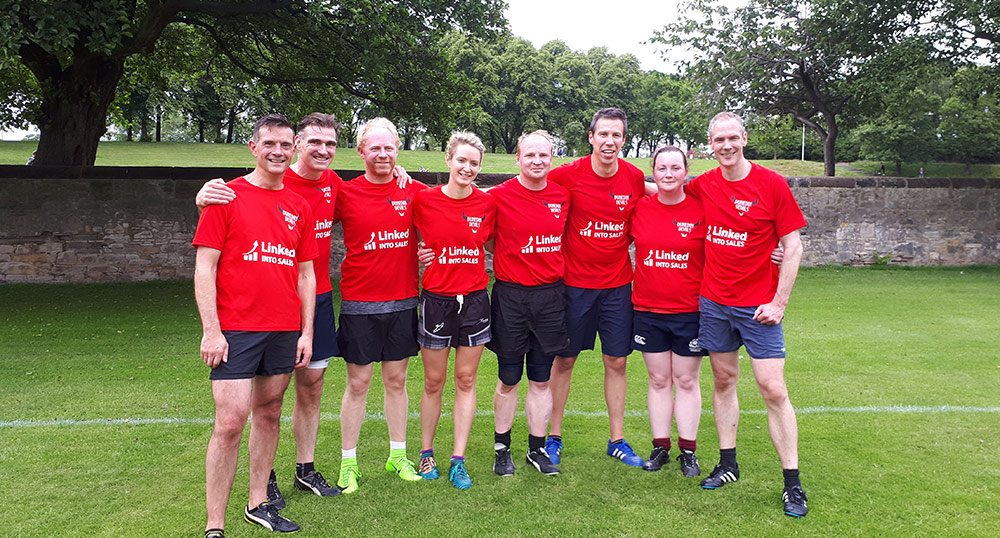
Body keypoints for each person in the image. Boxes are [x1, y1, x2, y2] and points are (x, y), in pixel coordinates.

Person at [196, 114, 415, 500]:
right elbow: (233, 209)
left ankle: (305, 468)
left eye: (330, 144)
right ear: (297, 143)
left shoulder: (333, 184)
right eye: (314, 142)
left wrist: (398, 171)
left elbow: (377, 194)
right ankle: (266, 478)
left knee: (311, 386)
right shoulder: (275, 176)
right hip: (268, 302)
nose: (323, 151)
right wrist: (202, 197)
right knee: (263, 400)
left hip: (316, 298)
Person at [193, 113, 317, 536]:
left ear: (294, 147)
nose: (278, 152)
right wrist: (211, 329)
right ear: (254, 147)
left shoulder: (299, 206)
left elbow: (305, 274)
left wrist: (307, 331)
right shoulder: (225, 197)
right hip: (237, 329)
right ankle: (214, 525)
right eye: (270, 144)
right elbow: (204, 268)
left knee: (270, 413)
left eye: (286, 144)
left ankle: (258, 503)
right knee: (229, 422)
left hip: (283, 328)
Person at [685, 111, 809, 517]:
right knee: (723, 380)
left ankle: (792, 483)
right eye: (718, 140)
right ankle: (728, 463)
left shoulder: (771, 184)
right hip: (714, 303)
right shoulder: (704, 185)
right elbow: (664, 186)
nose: (725, 146)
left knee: (773, 389)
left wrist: (779, 302)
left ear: (744, 138)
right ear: (710, 144)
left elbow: (793, 246)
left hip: (759, 309)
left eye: (732, 138)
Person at [544, 107, 650, 467]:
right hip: (574, 286)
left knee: (617, 361)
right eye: (603, 134)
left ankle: (617, 440)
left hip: (618, 287)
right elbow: (524, 184)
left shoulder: (634, 178)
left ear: (624, 139)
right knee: (565, 359)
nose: (609, 141)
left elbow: (671, 192)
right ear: (591, 137)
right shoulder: (566, 175)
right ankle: (553, 436)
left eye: (616, 135)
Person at [333, 117, 427, 494]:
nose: (383, 154)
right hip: (359, 303)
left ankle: (398, 455)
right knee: (358, 384)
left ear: (398, 150)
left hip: (403, 302)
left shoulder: (414, 191)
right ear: (361, 151)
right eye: (375, 147)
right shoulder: (345, 192)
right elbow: (299, 194)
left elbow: (457, 199)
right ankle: (348, 463)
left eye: (389, 148)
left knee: (397, 381)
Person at [412, 131, 497, 489]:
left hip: (475, 298)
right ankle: (426, 453)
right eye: (461, 160)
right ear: (448, 160)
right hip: (436, 299)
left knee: (466, 379)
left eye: (474, 163)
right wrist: (420, 253)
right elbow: (405, 238)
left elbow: (493, 242)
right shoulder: (423, 200)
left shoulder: (487, 205)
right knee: (434, 381)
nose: (467, 167)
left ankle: (458, 459)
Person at [486, 130, 570, 476]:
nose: (537, 161)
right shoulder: (498, 196)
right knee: (508, 378)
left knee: (541, 379)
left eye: (544, 156)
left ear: (552, 159)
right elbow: (483, 236)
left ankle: (536, 450)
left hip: (551, 297)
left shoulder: (562, 196)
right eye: (530, 155)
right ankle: (501, 449)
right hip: (511, 296)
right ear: (517, 159)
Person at [629, 146, 707, 478]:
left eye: (676, 168)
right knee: (659, 379)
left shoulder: (703, 208)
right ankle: (660, 446)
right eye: (662, 168)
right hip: (647, 309)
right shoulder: (640, 208)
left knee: (686, 380)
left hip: (690, 310)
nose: (668, 173)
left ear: (686, 172)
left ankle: (688, 451)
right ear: (653, 171)